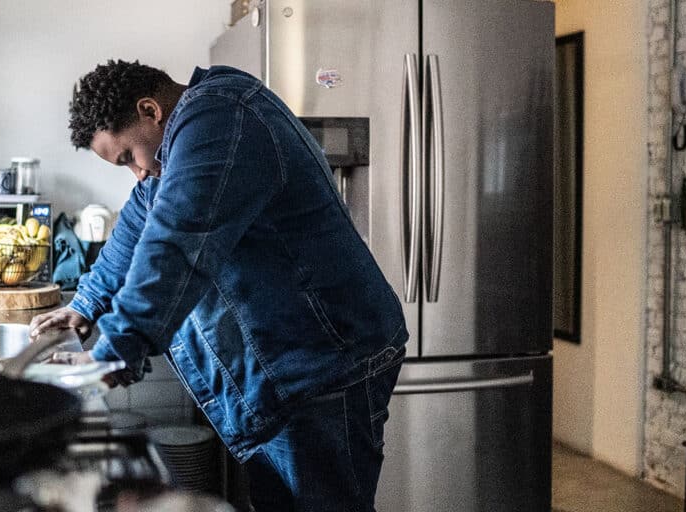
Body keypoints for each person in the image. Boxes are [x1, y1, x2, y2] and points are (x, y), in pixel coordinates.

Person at [30, 59, 407, 511]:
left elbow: (175, 242)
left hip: (323, 368)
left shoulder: (219, 117)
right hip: (289, 374)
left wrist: (114, 351)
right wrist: (87, 303)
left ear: (150, 110)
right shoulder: (180, 143)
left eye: (128, 156)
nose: (137, 173)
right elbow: (137, 225)